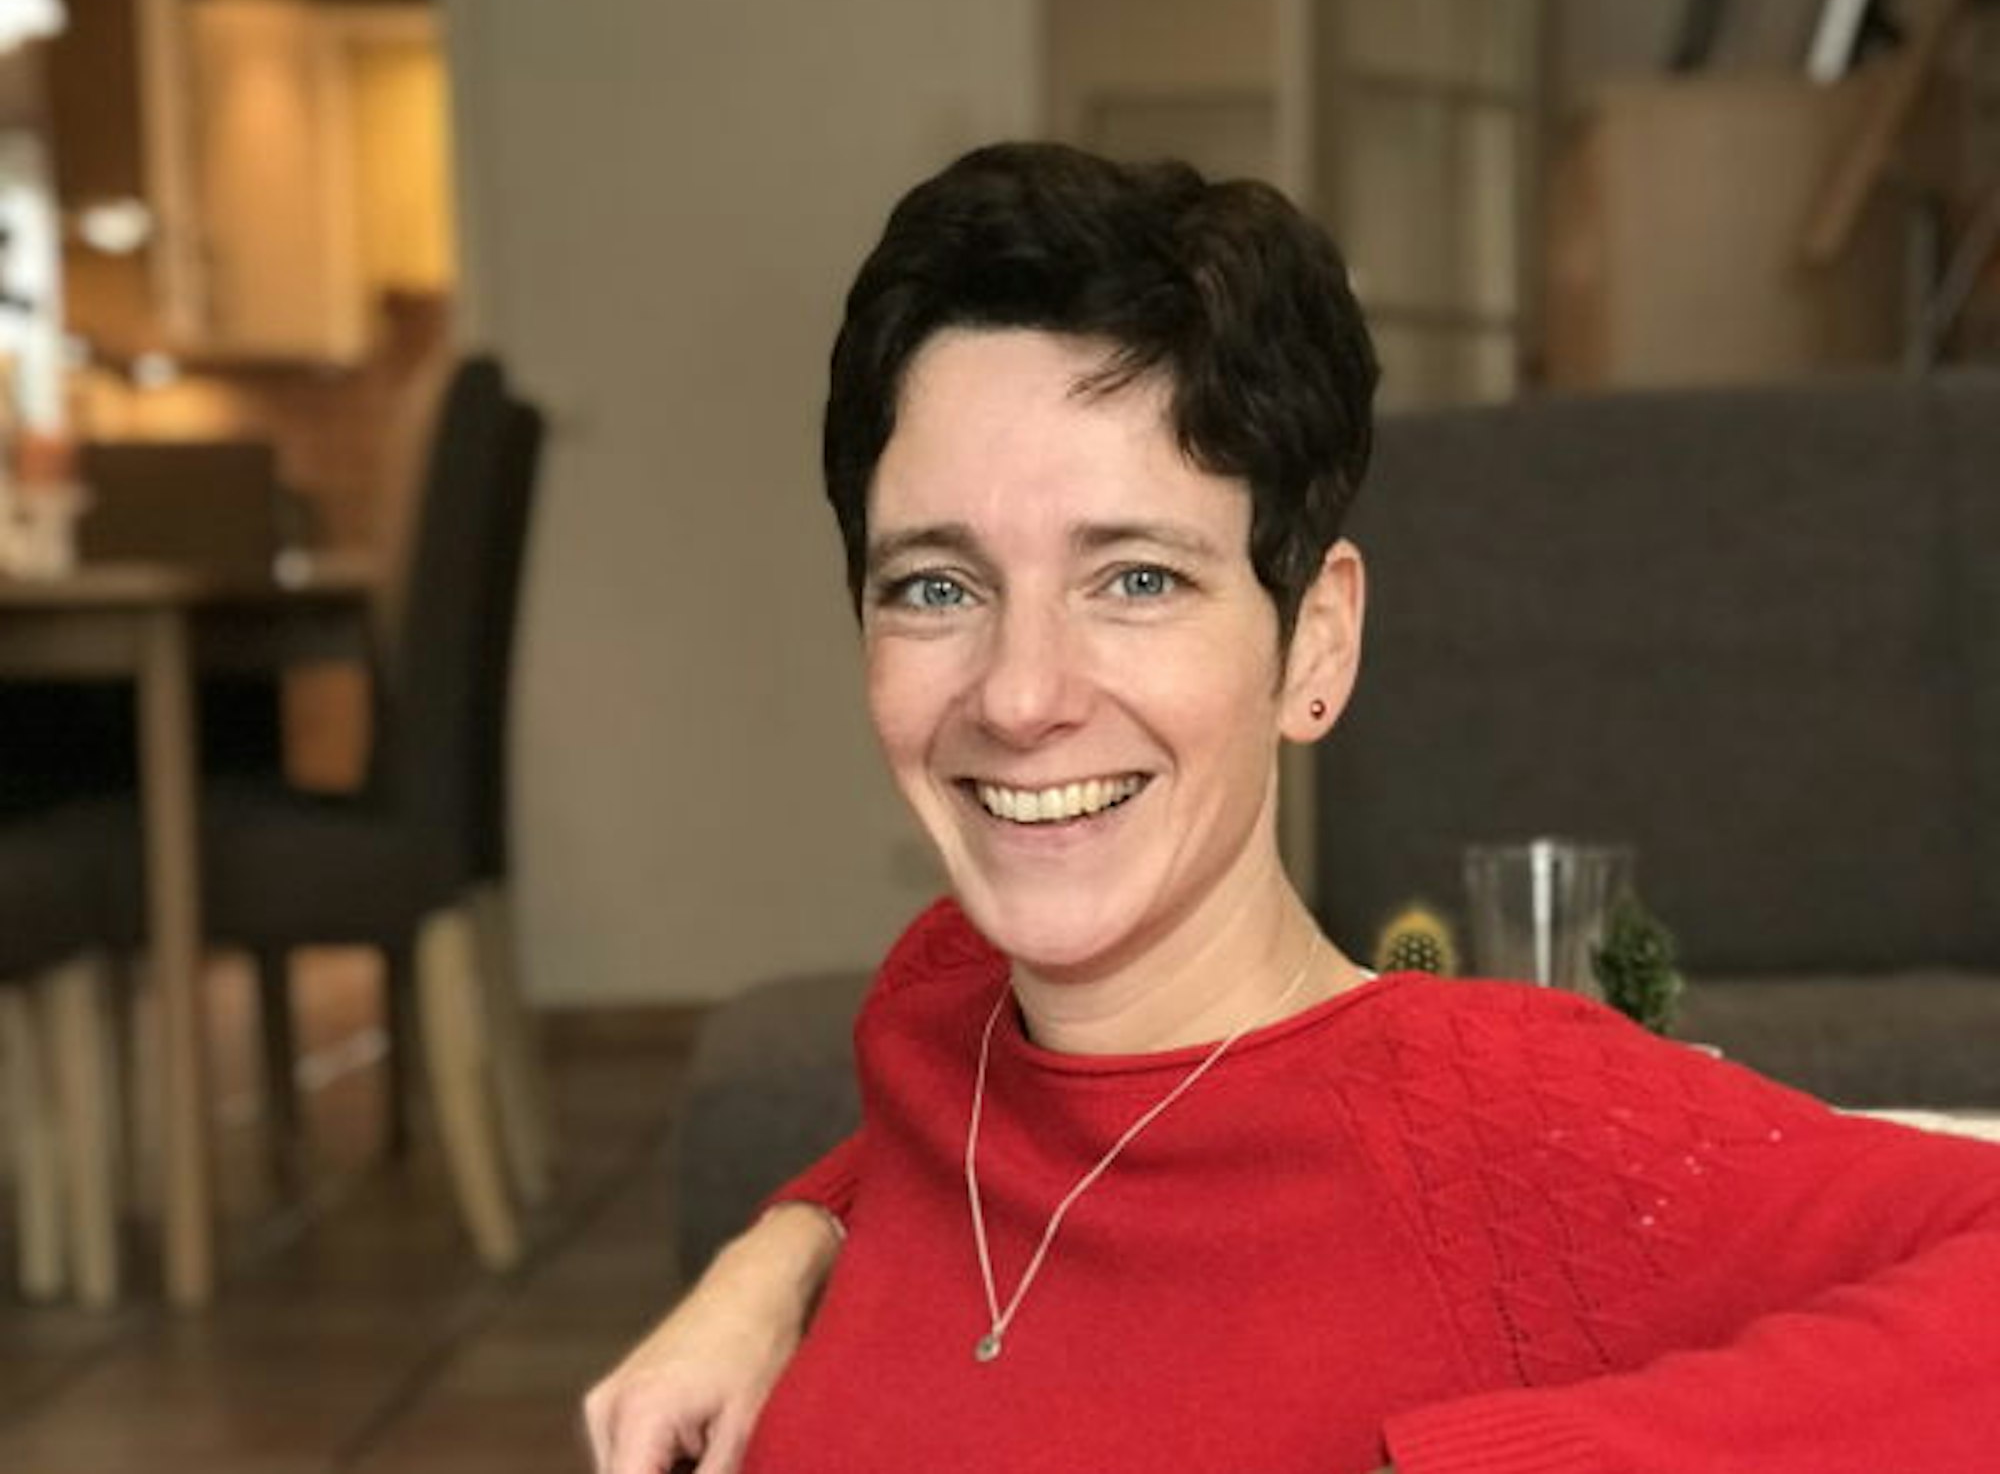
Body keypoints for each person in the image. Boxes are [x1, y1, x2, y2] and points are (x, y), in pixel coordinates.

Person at [584, 142, 2000, 1474]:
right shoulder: (944, 996)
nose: (1019, 696)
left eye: (1137, 579)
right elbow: (1016, 1131)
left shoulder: (1494, 1129)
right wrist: (786, 1249)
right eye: (937, 586)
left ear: (1316, 643)